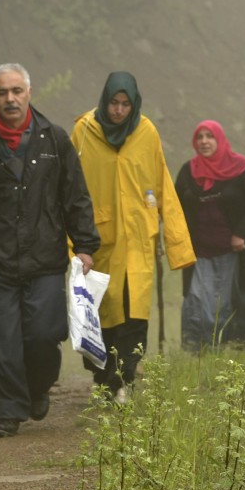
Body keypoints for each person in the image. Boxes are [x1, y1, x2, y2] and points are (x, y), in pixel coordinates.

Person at [0, 63, 101, 438]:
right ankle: (7, 411)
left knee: (44, 333)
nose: (10, 99)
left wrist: (86, 245)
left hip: (44, 258)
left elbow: (75, 195)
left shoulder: (55, 141)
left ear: (29, 93)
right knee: (0, 340)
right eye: (2, 92)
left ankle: (38, 386)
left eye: (16, 91)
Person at [71, 71, 195, 402]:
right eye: (114, 103)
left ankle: (125, 376)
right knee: (101, 314)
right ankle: (104, 377)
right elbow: (68, 190)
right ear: (104, 100)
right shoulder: (84, 131)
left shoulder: (146, 131)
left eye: (126, 104)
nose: (119, 111)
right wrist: (69, 243)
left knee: (135, 314)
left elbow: (163, 184)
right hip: (98, 244)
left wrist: (177, 245)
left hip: (139, 241)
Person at [175, 120, 245, 350]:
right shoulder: (188, 171)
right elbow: (174, 206)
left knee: (234, 302)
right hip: (200, 253)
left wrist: (240, 233)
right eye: (200, 137)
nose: (204, 141)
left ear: (220, 139)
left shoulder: (241, 167)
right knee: (199, 303)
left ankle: (238, 348)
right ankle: (201, 352)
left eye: (210, 136)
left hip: (233, 251)